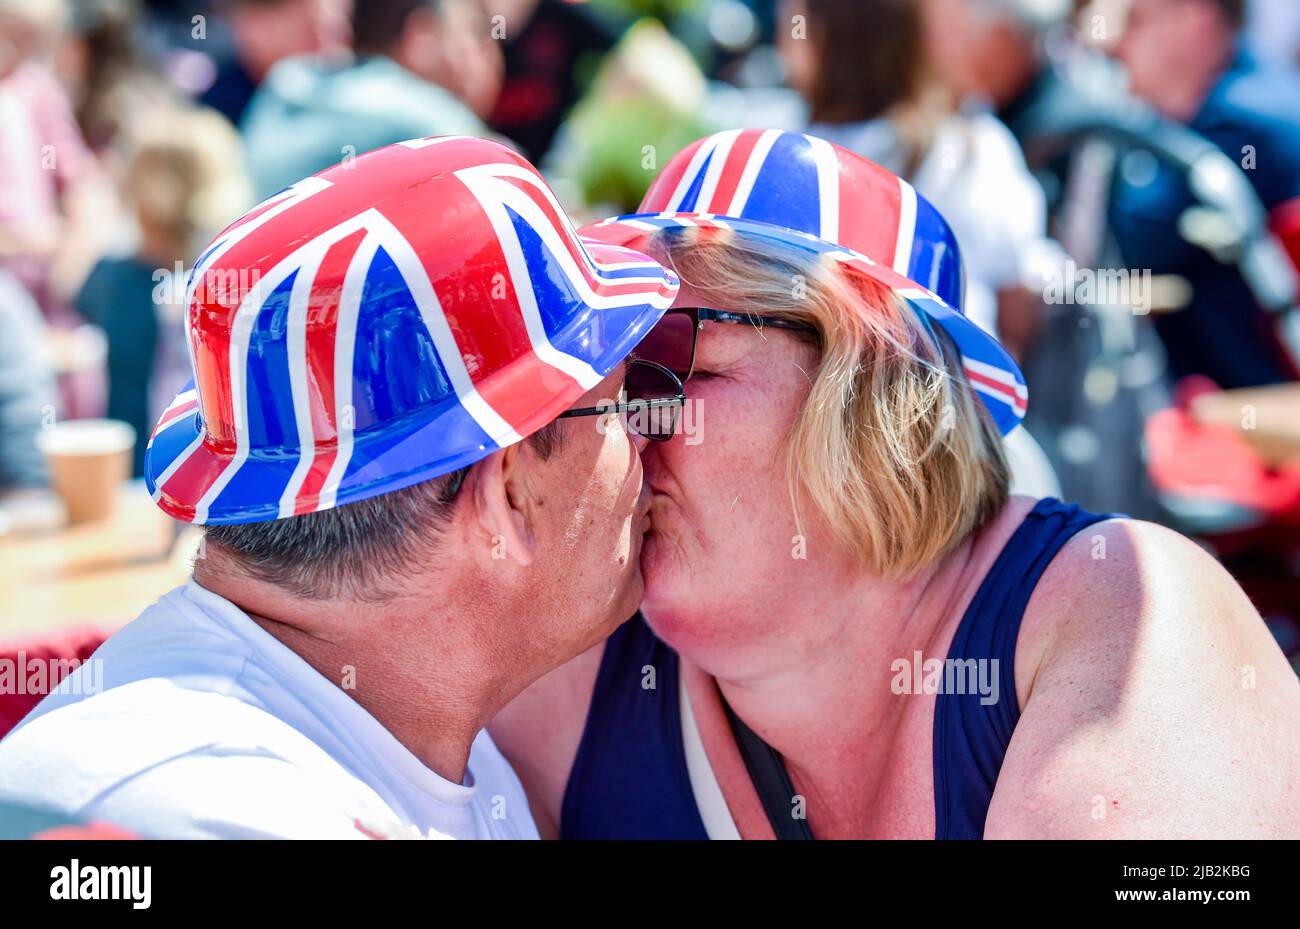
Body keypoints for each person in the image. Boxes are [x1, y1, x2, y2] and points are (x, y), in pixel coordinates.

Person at [489, 131, 1300, 839]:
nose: (621, 424)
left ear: (872, 393)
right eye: (613, 376)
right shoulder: (578, 674)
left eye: (670, 359)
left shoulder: (1116, 610)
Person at [0, 136, 683, 839]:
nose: (650, 436)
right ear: (507, 496)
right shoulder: (215, 812)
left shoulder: (407, 732)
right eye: (624, 399)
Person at [1108, 0, 1300, 389]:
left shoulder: (1240, 120)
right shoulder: (1262, 89)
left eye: (1134, 20)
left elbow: (1132, 245)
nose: (1113, 43)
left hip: (1263, 412)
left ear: (1193, 19)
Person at [240, 0, 500, 199]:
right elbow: (510, 184)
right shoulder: (419, 115)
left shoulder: (285, 82)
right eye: (475, 31)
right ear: (422, 35)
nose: (489, 51)